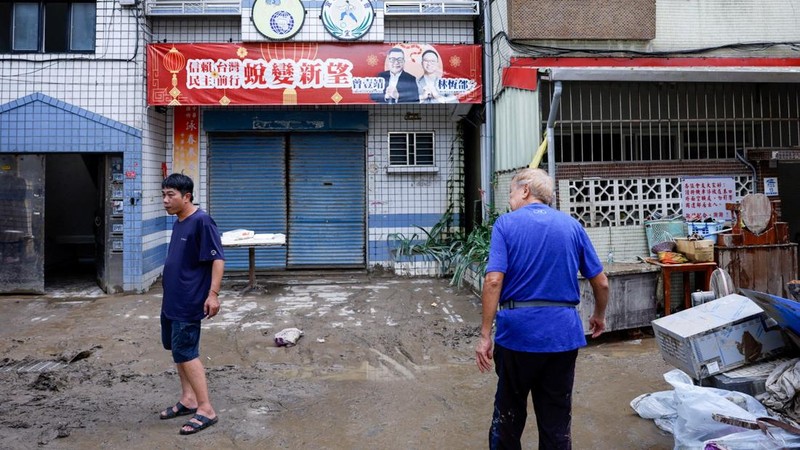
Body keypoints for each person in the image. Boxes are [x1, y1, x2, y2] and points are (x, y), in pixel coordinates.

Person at [475, 168, 609, 450]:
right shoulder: (572, 226)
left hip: (517, 335)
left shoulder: (506, 225)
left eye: (511, 194)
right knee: (556, 420)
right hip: (562, 336)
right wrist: (599, 315)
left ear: (525, 191)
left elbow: (493, 280)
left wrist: (485, 335)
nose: (510, 201)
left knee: (509, 415)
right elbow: (602, 282)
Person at [159, 173, 225, 435]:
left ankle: (206, 409)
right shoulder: (179, 221)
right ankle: (188, 399)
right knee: (178, 351)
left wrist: (213, 294)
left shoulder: (202, 221)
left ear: (187, 196)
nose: (165, 200)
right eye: (163, 195)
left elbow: (217, 259)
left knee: (187, 352)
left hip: (189, 300)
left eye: (170, 195)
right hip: (171, 300)